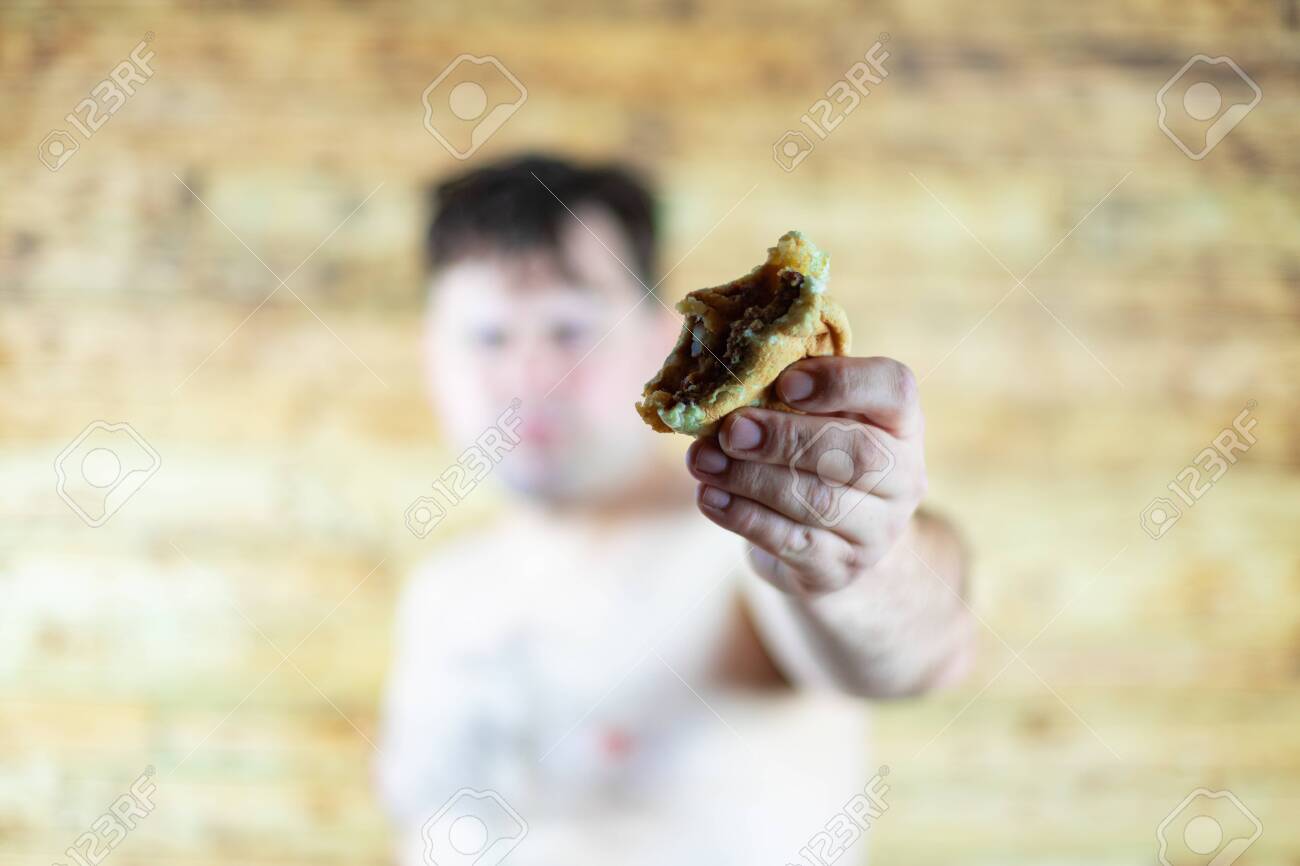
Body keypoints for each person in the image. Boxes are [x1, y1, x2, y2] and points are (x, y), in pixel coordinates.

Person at [376, 154, 974, 866]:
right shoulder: (443, 589)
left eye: (568, 330)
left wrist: (862, 553)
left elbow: (915, 650)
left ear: (660, 340)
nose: (529, 373)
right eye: (489, 336)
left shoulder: (744, 534)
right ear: (431, 356)